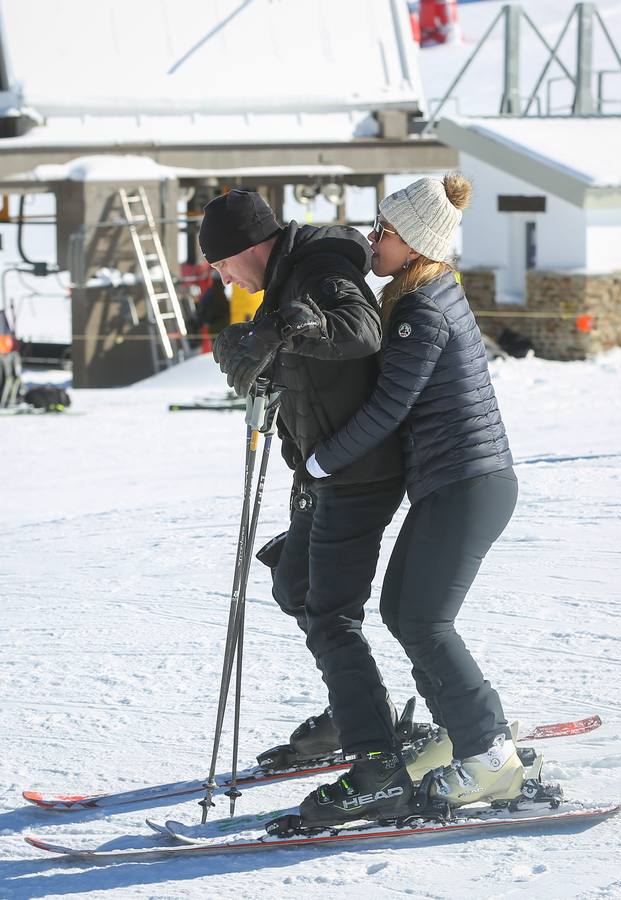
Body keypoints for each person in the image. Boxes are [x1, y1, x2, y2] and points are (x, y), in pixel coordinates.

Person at [297, 174, 523, 827]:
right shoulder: (422, 292)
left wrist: (319, 460)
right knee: (402, 609)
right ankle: (462, 735)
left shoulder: (420, 309)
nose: (373, 240)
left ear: (417, 243)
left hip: (468, 483)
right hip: (456, 482)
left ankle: (489, 753)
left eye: (385, 233)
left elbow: (388, 408)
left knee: (423, 618)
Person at [201, 189, 415, 822]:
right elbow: (301, 356)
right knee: (294, 582)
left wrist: (282, 332)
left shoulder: (323, 269)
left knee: (329, 612)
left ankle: (376, 760)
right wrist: (262, 358)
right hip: (323, 476)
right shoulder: (290, 279)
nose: (221, 277)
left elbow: (358, 330)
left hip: (360, 472)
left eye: (220, 264)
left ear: (248, 248)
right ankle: (356, 711)